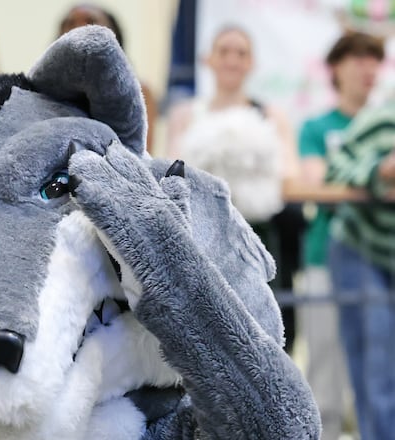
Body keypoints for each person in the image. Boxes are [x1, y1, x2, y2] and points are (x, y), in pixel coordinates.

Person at [166, 25, 302, 353]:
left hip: (260, 235)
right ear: (208, 59)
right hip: (203, 236)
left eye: (241, 53)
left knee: (268, 322)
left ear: (251, 62)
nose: (232, 60)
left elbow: (289, 174)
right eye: (224, 51)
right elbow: (172, 170)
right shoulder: (186, 114)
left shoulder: (271, 115)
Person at [297, 30, 383, 440]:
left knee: (380, 373)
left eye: (374, 59)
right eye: (358, 58)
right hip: (324, 258)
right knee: (325, 374)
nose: (368, 68)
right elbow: (319, 186)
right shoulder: (317, 126)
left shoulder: (385, 122)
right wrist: (375, 177)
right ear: (336, 68)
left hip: (383, 261)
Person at [325, 99, 395, 440]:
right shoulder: (383, 117)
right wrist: (379, 170)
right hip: (360, 248)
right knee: (377, 358)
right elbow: (336, 165)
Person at [57, 3, 158, 151]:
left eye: (90, 21)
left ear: (112, 33)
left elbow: (143, 153)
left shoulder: (139, 90)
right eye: (70, 23)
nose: (77, 28)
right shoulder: (45, 89)